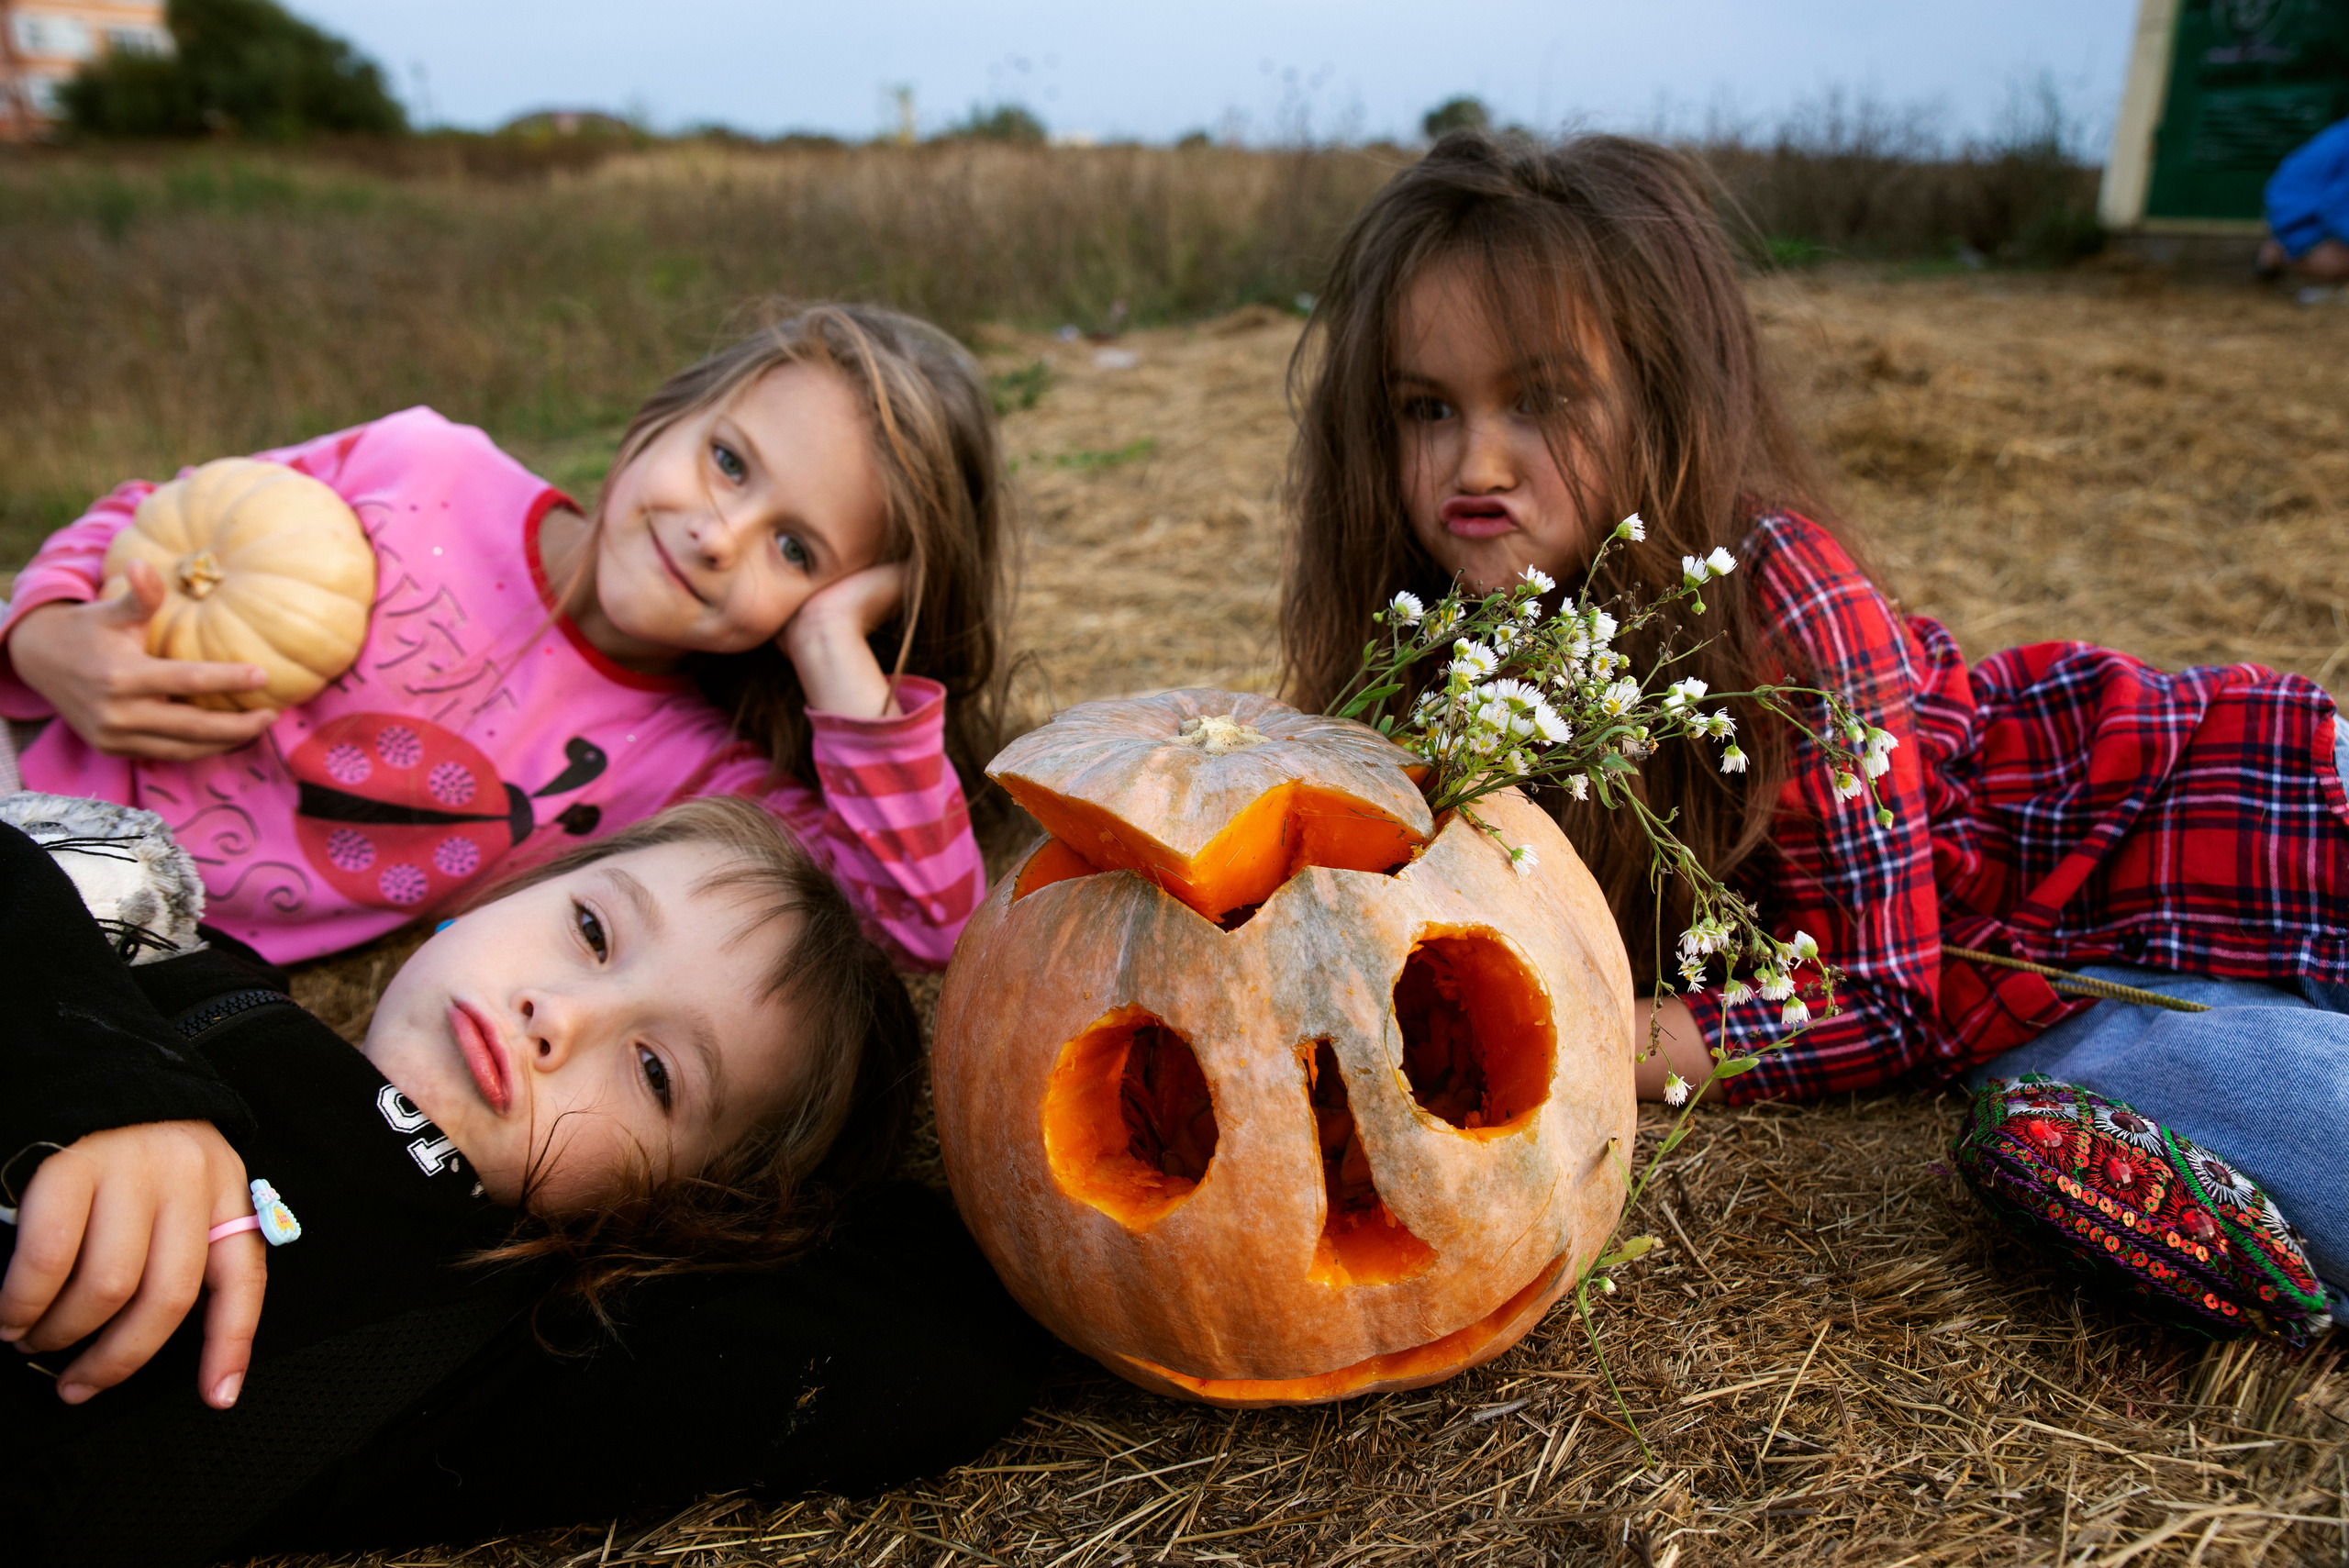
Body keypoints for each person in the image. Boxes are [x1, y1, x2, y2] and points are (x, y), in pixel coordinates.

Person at [1278, 131, 2348, 1303]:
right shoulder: (1440, 638)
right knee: (2145, 1079)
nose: (1474, 460)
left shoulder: (1781, 595)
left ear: (1663, 396)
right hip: (2061, 985)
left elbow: (1885, 1000)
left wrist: (1574, 1036)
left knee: (2216, 1096)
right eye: (1427, 408)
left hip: (2205, 846)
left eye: (1541, 400)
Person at [0, 794, 1046, 1567]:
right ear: (497, 897)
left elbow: (950, 1340)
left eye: (654, 1073)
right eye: (591, 930)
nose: (562, 1015)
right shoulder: (185, 977)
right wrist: (111, 1081)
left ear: (672, 1207)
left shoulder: (504, 1347)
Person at [0, 302, 1008, 970]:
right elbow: (168, 511)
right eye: (730, 462)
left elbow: (923, 927)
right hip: (23, 760)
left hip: (120, 938)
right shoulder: (422, 467)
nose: (714, 533)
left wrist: (838, 655)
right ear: (674, 411)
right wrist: (46, 634)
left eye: (795, 548)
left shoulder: (686, 782)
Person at [2257, 115, 2349, 291]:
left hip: (2302, 211)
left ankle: (2276, 251)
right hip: (2297, 218)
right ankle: (2288, 253)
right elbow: (2336, 208)